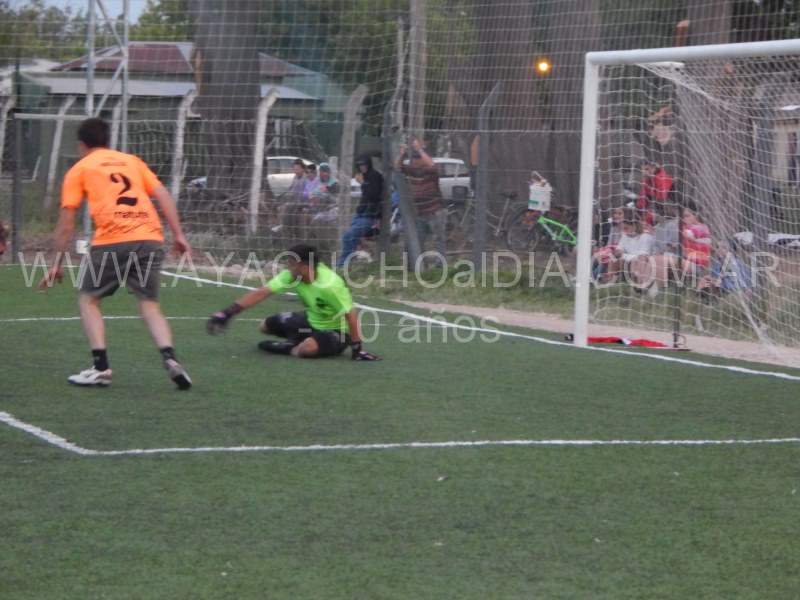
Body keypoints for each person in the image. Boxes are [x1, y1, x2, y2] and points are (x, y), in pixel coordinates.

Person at [37, 117, 192, 389]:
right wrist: (179, 235)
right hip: (150, 238)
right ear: (108, 141)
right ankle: (170, 357)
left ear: (82, 145)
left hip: (113, 240)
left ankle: (100, 368)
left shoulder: (80, 168)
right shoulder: (132, 161)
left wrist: (56, 262)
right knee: (149, 305)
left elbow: (66, 223)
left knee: (88, 300)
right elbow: (163, 195)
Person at [207, 243, 381, 360]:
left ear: (304, 268)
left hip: (336, 331)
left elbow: (351, 314)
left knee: (307, 349)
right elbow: (263, 292)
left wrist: (357, 350)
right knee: (264, 326)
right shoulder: (293, 275)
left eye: (291, 264)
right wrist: (228, 312)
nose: (287, 267)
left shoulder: (330, 285)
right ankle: (299, 338)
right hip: (310, 322)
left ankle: (291, 348)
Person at [395, 138, 448, 267]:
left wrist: (420, 150)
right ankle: (420, 265)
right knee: (418, 239)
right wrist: (402, 154)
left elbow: (432, 165)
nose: (415, 161)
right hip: (422, 213)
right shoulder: (413, 171)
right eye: (414, 158)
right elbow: (397, 167)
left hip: (436, 211)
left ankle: (441, 265)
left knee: (439, 239)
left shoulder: (431, 172)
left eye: (418, 158)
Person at [337, 155, 384, 268]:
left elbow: (374, 195)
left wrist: (363, 183)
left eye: (363, 165)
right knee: (352, 239)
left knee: (347, 237)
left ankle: (341, 265)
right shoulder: (366, 176)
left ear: (368, 164)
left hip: (369, 215)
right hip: (360, 213)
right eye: (359, 165)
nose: (361, 167)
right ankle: (347, 263)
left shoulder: (374, 176)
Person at [696, 239, 752, 303]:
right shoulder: (718, 264)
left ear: (731, 251)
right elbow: (715, 279)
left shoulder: (736, 264)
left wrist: (714, 280)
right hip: (721, 290)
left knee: (711, 281)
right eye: (718, 247)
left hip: (735, 293)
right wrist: (710, 279)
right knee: (704, 280)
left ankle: (706, 300)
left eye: (724, 247)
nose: (719, 249)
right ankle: (698, 298)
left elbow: (732, 284)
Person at [271, 158, 307, 233]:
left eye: (298, 169)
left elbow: (306, 194)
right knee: (280, 208)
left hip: (303, 202)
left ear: (303, 169)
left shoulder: (306, 179)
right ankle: (281, 225)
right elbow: (293, 191)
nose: (296, 171)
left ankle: (285, 227)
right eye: (295, 169)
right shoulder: (295, 178)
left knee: (287, 209)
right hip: (296, 201)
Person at [308, 162, 340, 227]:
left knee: (317, 220)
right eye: (322, 172)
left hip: (331, 208)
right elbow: (313, 192)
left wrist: (321, 194)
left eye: (326, 172)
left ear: (329, 172)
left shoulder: (334, 183)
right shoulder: (318, 181)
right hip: (318, 208)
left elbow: (334, 199)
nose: (324, 174)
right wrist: (313, 195)